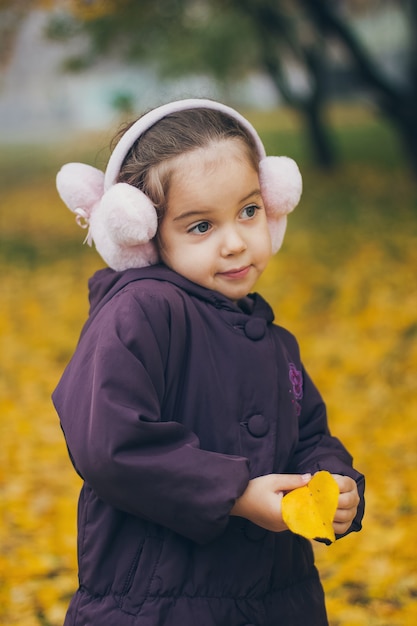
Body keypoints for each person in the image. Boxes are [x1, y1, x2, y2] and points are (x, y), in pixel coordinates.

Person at [53, 98, 365, 626]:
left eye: (249, 211)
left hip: (279, 598)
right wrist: (236, 494)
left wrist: (331, 478)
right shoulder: (142, 313)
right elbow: (109, 443)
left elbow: (309, 430)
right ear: (144, 236)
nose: (236, 243)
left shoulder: (272, 339)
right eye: (201, 227)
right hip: (159, 604)